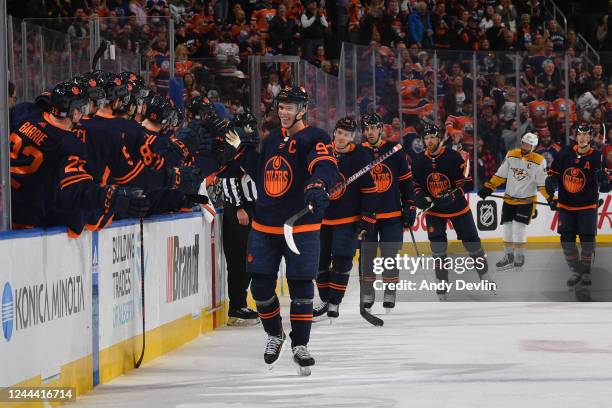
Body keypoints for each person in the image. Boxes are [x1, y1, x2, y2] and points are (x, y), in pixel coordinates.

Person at [234, 86, 338, 375]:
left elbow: (325, 165)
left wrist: (318, 184)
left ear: (302, 110)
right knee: (261, 286)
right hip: (265, 225)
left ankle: (300, 344)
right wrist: (243, 149)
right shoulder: (271, 139)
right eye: (281, 106)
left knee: (302, 287)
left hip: (300, 226)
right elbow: (260, 173)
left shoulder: (314, 137)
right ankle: (274, 334)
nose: (283, 111)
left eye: (289, 107)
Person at [10, 81, 150, 234]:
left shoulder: (27, 113)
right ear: (74, 112)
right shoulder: (68, 143)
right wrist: (108, 196)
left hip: (6, 200)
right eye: (82, 108)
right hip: (23, 217)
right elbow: (73, 189)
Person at [412, 123, 491, 301]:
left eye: (432, 137)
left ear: (439, 138)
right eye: (426, 138)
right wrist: (420, 197)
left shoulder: (453, 157)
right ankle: (442, 284)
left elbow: (468, 183)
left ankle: (484, 275)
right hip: (435, 210)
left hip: (458, 208)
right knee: (438, 249)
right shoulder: (418, 161)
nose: (429, 141)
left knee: (472, 243)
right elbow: (415, 184)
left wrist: (454, 194)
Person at [314, 116, 377, 322]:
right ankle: (325, 298)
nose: (341, 138)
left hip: (347, 220)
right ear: (334, 133)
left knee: (342, 260)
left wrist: (367, 218)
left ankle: (334, 302)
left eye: (347, 135)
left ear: (352, 137)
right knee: (319, 262)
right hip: (322, 219)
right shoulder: (323, 152)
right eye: (339, 133)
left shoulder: (360, 156)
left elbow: (369, 190)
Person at [545, 124, 610, 299]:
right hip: (566, 205)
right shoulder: (565, 152)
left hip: (587, 206)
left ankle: (585, 273)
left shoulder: (597, 157)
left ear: (590, 138)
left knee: (587, 241)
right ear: (576, 136)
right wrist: (551, 182)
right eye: (579, 134)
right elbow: (553, 173)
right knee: (566, 241)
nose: (582, 138)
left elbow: (605, 187)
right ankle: (576, 271)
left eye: (585, 135)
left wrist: (604, 182)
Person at [359, 112, 415, 313]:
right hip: (367, 215)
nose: (370, 132)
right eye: (366, 129)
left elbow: (406, 181)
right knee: (367, 255)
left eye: (373, 128)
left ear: (381, 129)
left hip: (392, 214)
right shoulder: (358, 152)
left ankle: (390, 290)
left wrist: (410, 205)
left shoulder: (394, 150)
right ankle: (368, 291)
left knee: (390, 255)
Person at [478, 132, 551, 270]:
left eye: (528, 145)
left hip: (526, 201)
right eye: (523, 143)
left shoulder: (539, 161)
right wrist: (489, 187)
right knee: (507, 229)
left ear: (533, 147)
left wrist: (551, 198)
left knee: (519, 228)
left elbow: (542, 184)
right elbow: (501, 174)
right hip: (509, 200)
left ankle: (519, 256)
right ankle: (508, 256)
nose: (524, 146)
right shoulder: (511, 155)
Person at [219, 111, 259, 326]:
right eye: (248, 128)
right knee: (241, 260)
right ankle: (237, 305)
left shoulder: (246, 150)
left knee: (247, 259)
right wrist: (238, 208)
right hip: (240, 211)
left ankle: (239, 304)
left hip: (249, 208)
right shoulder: (233, 150)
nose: (252, 132)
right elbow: (227, 178)